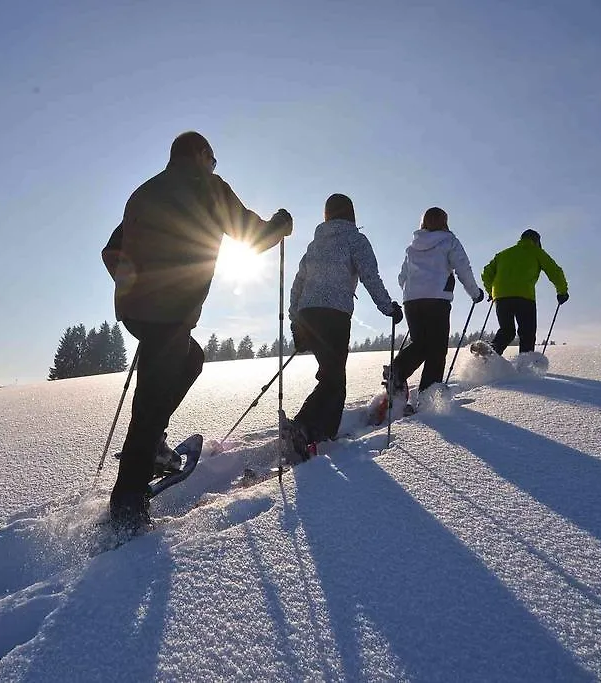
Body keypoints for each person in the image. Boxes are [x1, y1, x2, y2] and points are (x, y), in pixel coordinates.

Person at [101, 131, 293, 533]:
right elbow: (252, 235)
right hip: (169, 310)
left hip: (139, 310)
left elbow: (110, 250)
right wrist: (281, 224)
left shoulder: (143, 192)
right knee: (150, 401)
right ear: (202, 155)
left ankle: (151, 448)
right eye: (213, 160)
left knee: (190, 359)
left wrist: (133, 285)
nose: (214, 166)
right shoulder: (206, 184)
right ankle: (127, 509)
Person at [283, 194, 402, 461]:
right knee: (334, 379)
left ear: (326, 215)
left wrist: (296, 322)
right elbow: (370, 275)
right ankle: (305, 429)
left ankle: (317, 432)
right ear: (351, 214)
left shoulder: (314, 245)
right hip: (333, 315)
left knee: (332, 375)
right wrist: (389, 308)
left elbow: (298, 284)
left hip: (308, 314)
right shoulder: (355, 240)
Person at [389, 207, 483, 399]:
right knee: (437, 349)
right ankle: (428, 396)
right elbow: (463, 268)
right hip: (437, 301)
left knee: (420, 343)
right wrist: (475, 293)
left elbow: (402, 277)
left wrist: (413, 290)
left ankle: (397, 371)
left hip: (412, 302)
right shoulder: (449, 241)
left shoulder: (412, 247)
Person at [481, 228, 568, 355]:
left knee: (507, 331)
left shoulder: (503, 254)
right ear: (536, 241)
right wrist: (562, 291)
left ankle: (489, 355)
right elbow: (555, 271)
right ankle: (525, 367)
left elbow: (486, 273)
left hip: (501, 297)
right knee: (527, 333)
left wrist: (491, 292)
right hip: (524, 297)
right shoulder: (537, 252)